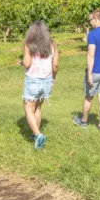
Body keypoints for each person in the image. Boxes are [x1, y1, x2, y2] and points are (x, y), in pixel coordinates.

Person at [75, 9, 100, 131]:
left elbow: (91, 55)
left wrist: (89, 75)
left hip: (95, 72)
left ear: (96, 19)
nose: (89, 23)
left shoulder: (92, 34)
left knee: (89, 97)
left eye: (90, 20)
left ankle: (83, 121)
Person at [21, 20, 58, 149]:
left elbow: (27, 63)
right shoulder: (51, 44)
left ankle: (38, 134)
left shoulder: (29, 44)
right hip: (47, 80)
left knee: (28, 108)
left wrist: (21, 61)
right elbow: (55, 65)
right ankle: (34, 132)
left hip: (33, 80)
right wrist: (53, 78)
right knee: (37, 108)